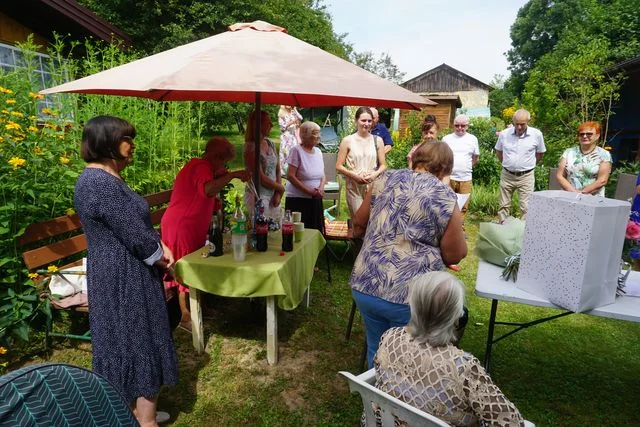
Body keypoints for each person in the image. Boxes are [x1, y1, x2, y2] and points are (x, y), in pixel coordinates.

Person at [74, 116, 178, 427]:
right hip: (122, 276)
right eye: (126, 139)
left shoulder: (107, 178)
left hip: (125, 269)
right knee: (139, 340)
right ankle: (145, 421)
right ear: (106, 143)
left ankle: (134, 412)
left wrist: (158, 245)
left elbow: (134, 228)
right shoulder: (99, 183)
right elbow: (133, 234)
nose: (131, 145)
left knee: (129, 339)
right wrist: (161, 254)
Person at [351, 141, 467, 367]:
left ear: (415, 160)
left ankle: (375, 397)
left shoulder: (383, 179)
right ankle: (400, 397)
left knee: (377, 346)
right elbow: (454, 255)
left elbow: (358, 221)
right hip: (410, 297)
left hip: (366, 284)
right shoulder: (444, 194)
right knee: (409, 357)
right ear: (443, 169)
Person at [374, 271, 526, 426]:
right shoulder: (463, 368)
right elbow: (512, 422)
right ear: (456, 316)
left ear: (414, 308)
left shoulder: (389, 338)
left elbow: (380, 381)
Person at [161, 137, 251, 330]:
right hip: (181, 225)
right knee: (184, 266)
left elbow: (211, 196)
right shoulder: (201, 166)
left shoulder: (207, 168)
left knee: (191, 264)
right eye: (224, 161)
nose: (224, 167)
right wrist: (232, 175)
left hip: (190, 225)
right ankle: (185, 316)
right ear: (216, 157)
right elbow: (207, 190)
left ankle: (196, 307)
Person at [495, 108, 546, 221]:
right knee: (503, 205)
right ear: (513, 122)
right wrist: (508, 164)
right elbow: (499, 151)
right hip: (507, 175)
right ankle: (503, 229)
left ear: (528, 122)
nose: (519, 127)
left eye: (522, 124)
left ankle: (523, 232)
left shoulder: (536, 134)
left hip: (526, 176)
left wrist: (528, 164)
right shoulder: (504, 134)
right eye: (516, 124)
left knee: (526, 207)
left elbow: (540, 153)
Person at [336, 106, 387, 217]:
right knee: (358, 221)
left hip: (372, 187)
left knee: (372, 222)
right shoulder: (348, 140)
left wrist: (374, 174)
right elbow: (339, 166)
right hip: (354, 187)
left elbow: (383, 165)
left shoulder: (378, 141)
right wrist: (354, 175)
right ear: (356, 120)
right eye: (363, 120)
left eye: (369, 121)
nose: (366, 124)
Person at [285, 121, 326, 232]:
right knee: (301, 231)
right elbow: (291, 176)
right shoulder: (296, 151)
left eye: (318, 133)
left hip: (315, 198)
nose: (318, 136)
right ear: (304, 135)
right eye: (314, 133)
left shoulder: (318, 151)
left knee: (315, 230)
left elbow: (322, 175)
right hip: (299, 200)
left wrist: (321, 189)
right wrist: (309, 191)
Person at [244, 109, 285, 213]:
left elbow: (278, 170)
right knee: (260, 228)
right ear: (259, 125)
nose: (271, 125)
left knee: (276, 227)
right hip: (258, 197)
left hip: (273, 196)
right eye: (268, 122)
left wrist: (278, 193)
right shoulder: (251, 148)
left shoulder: (270, 143)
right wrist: (281, 188)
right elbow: (261, 178)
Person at [556, 121, 611, 196]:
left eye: (589, 134)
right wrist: (573, 193)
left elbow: (602, 180)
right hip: (568, 195)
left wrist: (581, 194)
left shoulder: (604, 154)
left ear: (597, 136)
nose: (584, 136)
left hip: (592, 198)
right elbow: (560, 175)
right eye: (581, 134)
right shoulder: (568, 152)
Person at [442, 114, 480, 214]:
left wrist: (465, 168)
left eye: (463, 126)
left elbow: (476, 158)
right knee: (448, 204)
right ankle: (446, 228)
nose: (460, 128)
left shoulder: (473, 139)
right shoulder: (446, 139)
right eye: (457, 125)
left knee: (463, 207)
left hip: (466, 178)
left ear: (467, 126)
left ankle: (460, 228)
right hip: (449, 178)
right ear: (453, 125)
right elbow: (442, 157)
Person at [278, 105, 302, 176]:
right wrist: (292, 122)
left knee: (293, 153)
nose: (289, 105)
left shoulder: (293, 112)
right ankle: (282, 171)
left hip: (293, 136)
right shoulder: (281, 114)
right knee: (284, 153)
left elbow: (300, 118)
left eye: (290, 103)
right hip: (286, 136)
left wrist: (295, 109)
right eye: (286, 104)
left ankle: (292, 170)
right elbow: (282, 128)